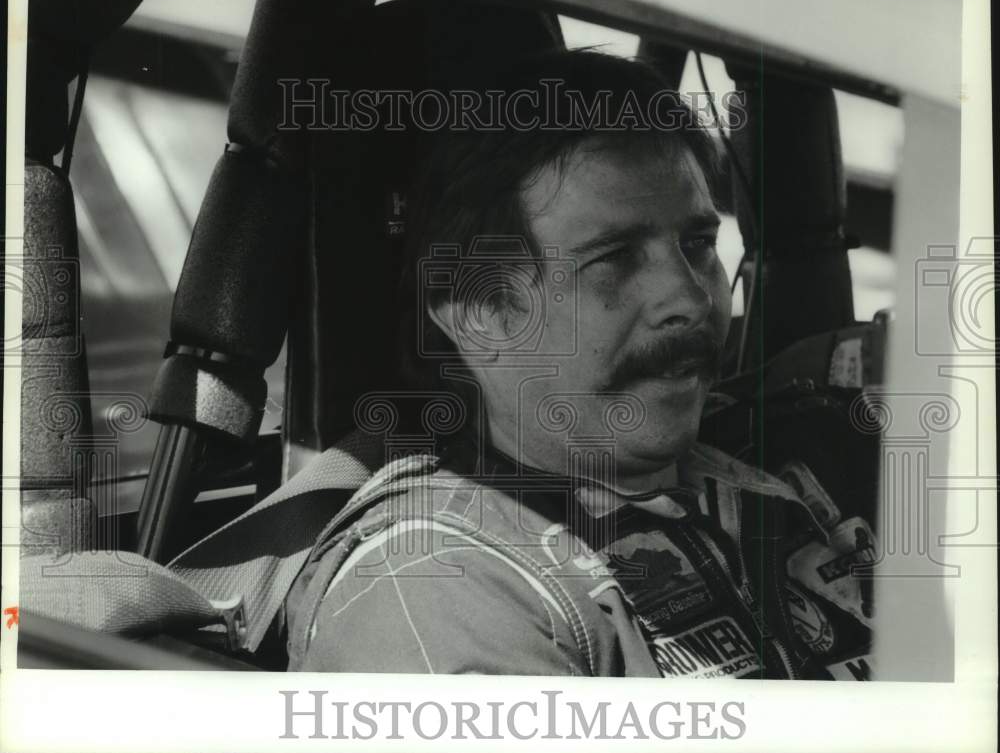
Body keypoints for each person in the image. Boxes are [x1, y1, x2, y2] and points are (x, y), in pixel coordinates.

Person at [281, 50, 876, 679]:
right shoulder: (433, 588)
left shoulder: (811, 446)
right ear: (480, 313)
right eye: (614, 258)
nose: (690, 298)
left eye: (698, 244)